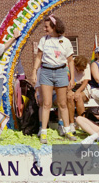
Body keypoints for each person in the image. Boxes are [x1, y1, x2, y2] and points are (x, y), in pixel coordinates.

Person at [31, 15, 77, 144]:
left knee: (62, 104)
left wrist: (72, 78)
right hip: (46, 71)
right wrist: (34, 72)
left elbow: (70, 61)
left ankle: (67, 129)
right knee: (46, 104)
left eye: (47, 27)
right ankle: (43, 132)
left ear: (54, 27)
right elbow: (39, 57)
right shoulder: (43, 40)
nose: (44, 29)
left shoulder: (66, 41)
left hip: (61, 71)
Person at [66, 55, 91, 134]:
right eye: (80, 69)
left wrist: (78, 91)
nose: (81, 71)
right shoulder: (69, 65)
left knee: (78, 96)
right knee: (70, 97)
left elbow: (85, 81)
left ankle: (83, 123)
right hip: (70, 86)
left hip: (82, 87)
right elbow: (66, 79)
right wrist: (69, 90)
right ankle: (72, 123)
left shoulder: (87, 65)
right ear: (76, 66)